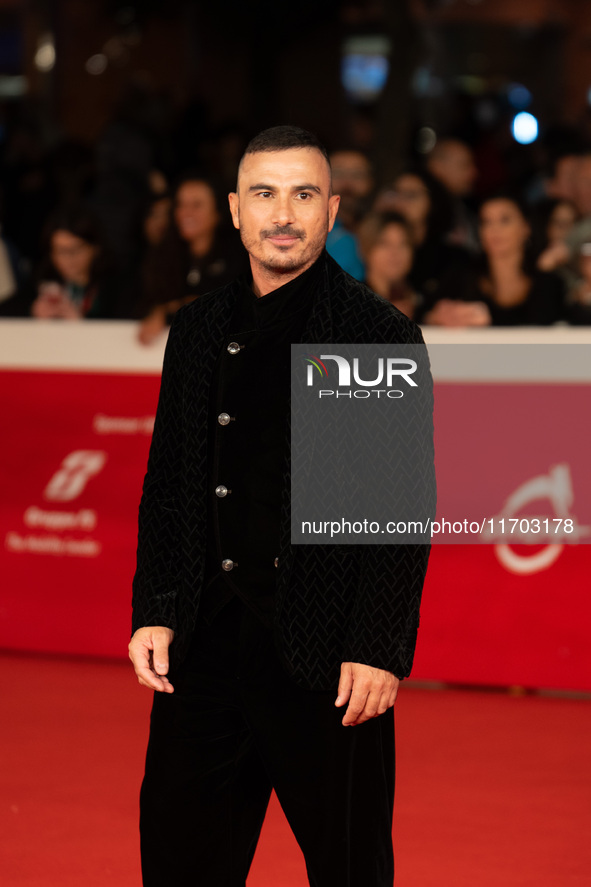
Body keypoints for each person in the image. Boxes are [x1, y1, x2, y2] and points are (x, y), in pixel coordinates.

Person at [129, 125, 433, 886]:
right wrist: (157, 607)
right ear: (236, 210)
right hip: (202, 648)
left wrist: (376, 645)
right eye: (264, 194)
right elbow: (170, 484)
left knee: (348, 867)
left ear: (330, 210)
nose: (283, 213)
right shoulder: (198, 328)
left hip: (325, 662)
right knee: (177, 857)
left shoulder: (368, 332)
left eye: (302, 194)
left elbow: (392, 511)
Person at [424, 195, 566, 326]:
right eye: (486, 222)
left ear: (526, 227)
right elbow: (422, 316)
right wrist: (439, 317)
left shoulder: (549, 283)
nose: (494, 229)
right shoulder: (461, 277)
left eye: (505, 220)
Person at [136, 174, 245, 344]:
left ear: (218, 211)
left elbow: (223, 304)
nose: (186, 213)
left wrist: (166, 312)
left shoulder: (240, 257)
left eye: (197, 205)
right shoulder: (161, 257)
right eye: (180, 204)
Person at [29, 209, 130, 319]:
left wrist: (80, 323)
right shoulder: (41, 278)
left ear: (95, 248)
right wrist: (33, 314)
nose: (69, 258)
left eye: (76, 249)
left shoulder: (116, 286)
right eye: (60, 250)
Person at [358, 211, 421, 319]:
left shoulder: (422, 303)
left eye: (403, 244)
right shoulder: (351, 302)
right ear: (367, 249)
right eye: (384, 244)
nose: (395, 253)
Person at [325, 149, 373, 279]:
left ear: (370, 182)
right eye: (338, 174)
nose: (347, 183)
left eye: (357, 175)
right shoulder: (309, 231)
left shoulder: (380, 231)